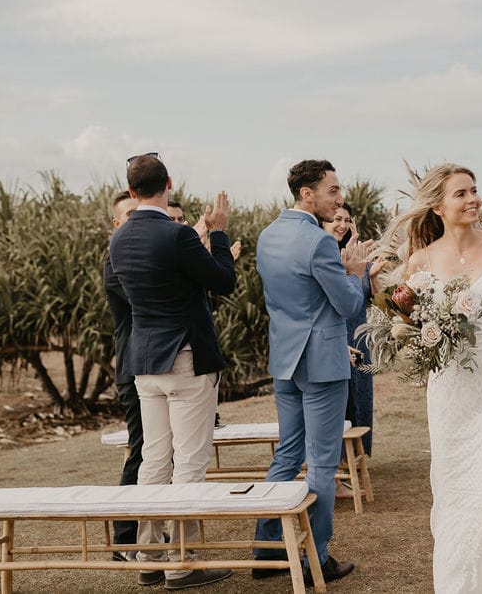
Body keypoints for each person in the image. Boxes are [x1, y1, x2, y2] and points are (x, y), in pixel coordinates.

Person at [377, 163, 482, 593]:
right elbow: (407, 325)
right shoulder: (420, 260)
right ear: (438, 206)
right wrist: (408, 331)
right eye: (461, 193)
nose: (473, 199)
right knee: (454, 492)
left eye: (474, 190)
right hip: (450, 391)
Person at [109, 153, 236, 589]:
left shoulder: (119, 239)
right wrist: (218, 233)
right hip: (185, 359)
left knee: (153, 459)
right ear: (168, 183)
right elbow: (223, 281)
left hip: (145, 362)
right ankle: (181, 564)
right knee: (190, 462)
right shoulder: (178, 234)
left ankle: (149, 557)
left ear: (131, 191)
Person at [252, 160, 368, 586]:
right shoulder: (318, 242)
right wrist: (355, 273)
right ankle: (315, 557)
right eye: (332, 190)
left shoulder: (268, 235)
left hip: (285, 358)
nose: (339, 198)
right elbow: (348, 305)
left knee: (287, 454)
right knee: (321, 462)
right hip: (321, 362)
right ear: (307, 193)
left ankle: (266, 549)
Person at [104, 190, 140, 559]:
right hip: (132, 368)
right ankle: (125, 538)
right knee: (141, 450)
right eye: (130, 215)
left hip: (148, 366)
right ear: (117, 224)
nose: (137, 219)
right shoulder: (116, 262)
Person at [322, 203, 374, 458]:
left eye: (346, 219)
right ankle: (337, 458)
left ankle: (357, 455)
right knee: (338, 398)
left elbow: (369, 295)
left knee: (359, 395)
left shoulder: (359, 256)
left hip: (359, 334)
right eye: (336, 219)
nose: (342, 224)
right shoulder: (322, 256)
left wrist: (371, 273)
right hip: (334, 334)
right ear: (323, 222)